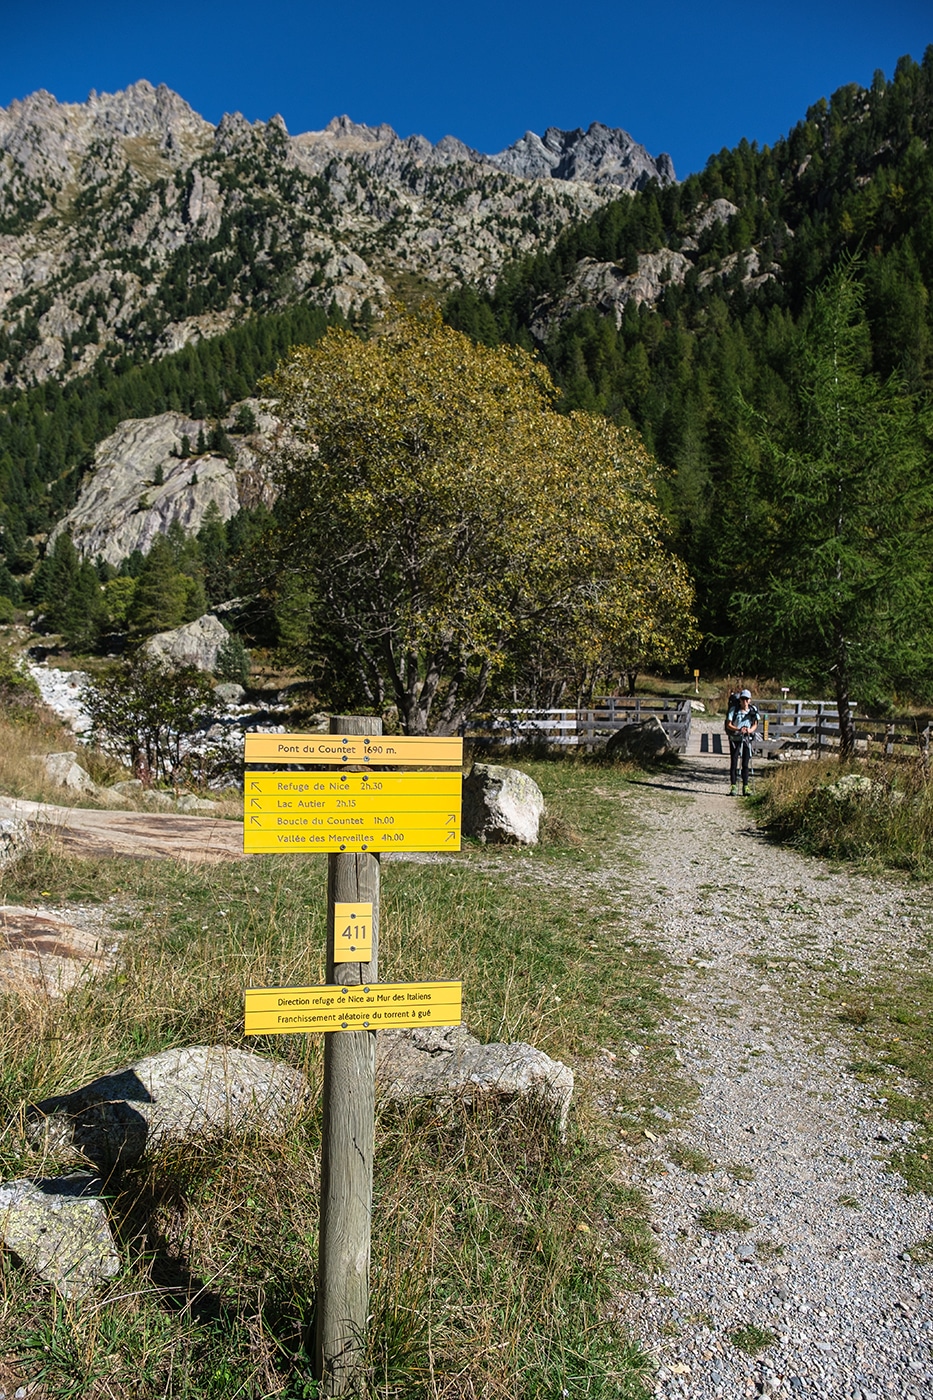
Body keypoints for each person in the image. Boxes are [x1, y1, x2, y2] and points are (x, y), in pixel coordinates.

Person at [725, 688, 758, 795]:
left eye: (746, 699)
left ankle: (746, 787)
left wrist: (749, 730)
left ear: (749, 700)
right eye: (743, 699)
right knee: (734, 762)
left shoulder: (753, 710)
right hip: (735, 739)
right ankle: (733, 787)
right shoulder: (734, 710)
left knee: (745, 763)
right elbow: (728, 724)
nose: (744, 701)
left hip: (747, 739)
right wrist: (738, 730)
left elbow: (755, 724)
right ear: (740, 700)